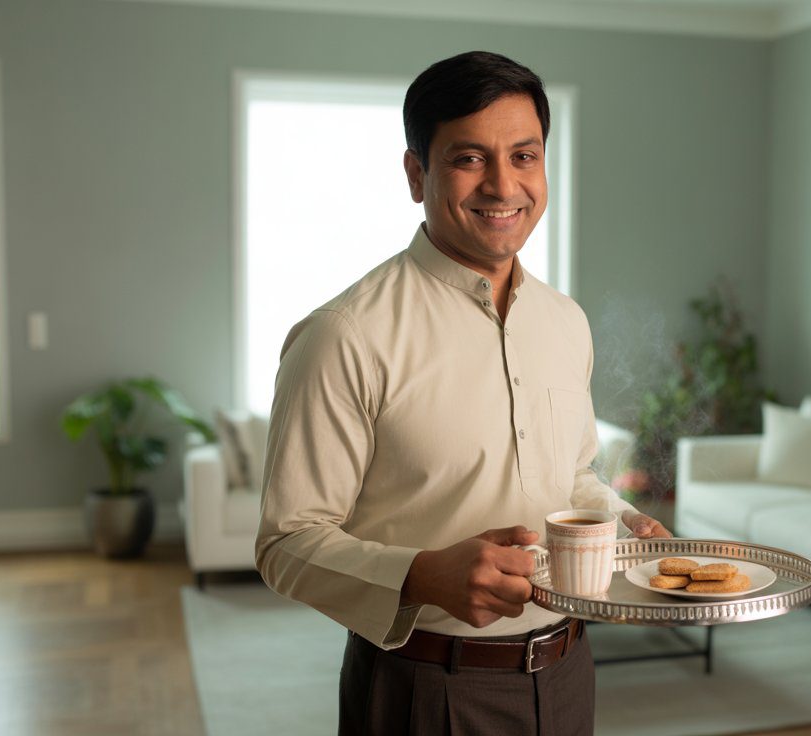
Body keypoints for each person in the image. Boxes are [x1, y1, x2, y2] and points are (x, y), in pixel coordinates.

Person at [255, 50, 672, 736]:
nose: (503, 184)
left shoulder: (566, 322)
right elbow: (285, 544)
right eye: (469, 159)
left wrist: (623, 525)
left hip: (569, 674)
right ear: (417, 174)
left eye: (524, 156)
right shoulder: (344, 335)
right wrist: (419, 576)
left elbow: (572, 478)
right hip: (425, 690)